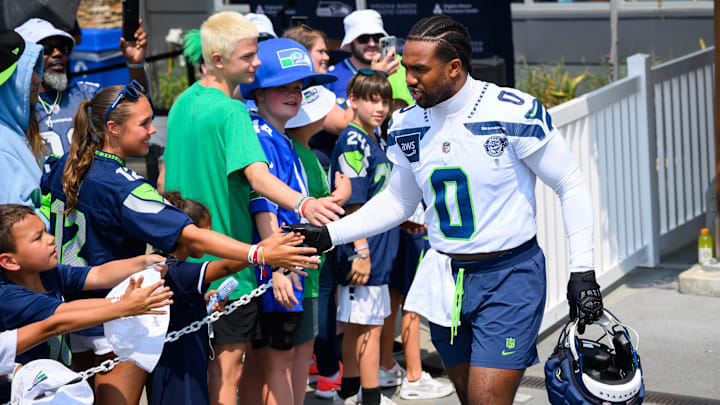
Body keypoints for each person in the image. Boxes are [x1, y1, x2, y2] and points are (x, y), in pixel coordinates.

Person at [284, 15, 604, 405]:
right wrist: (330, 235)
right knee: (470, 398)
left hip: (509, 275)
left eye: (420, 69)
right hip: (444, 277)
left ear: (455, 68)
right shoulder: (405, 123)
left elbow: (569, 183)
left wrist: (582, 271)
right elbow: (399, 201)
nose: (409, 79)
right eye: (406, 68)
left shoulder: (511, 110)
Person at [41, 81, 317, 404]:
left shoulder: (65, 165)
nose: (151, 131)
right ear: (112, 129)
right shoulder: (123, 186)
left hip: (70, 314)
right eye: (143, 124)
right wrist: (258, 252)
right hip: (113, 319)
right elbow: (190, 235)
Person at [161, 12, 343, 405]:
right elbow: (258, 179)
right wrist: (304, 202)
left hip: (185, 257)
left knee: (215, 370)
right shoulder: (233, 112)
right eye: (248, 57)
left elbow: (165, 181)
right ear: (218, 59)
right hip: (230, 264)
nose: (256, 63)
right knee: (229, 374)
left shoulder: (181, 104)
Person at [237, 37, 338, 405]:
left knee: (268, 367)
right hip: (276, 268)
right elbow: (260, 201)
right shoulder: (261, 135)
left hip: (288, 263)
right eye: (282, 87)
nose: (295, 94)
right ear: (259, 94)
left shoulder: (281, 137)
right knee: (275, 368)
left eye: (298, 87)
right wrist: (278, 264)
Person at [0, 203, 174, 401]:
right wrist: (123, 306)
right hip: (16, 396)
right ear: (10, 262)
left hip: (52, 388)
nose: (50, 239)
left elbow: (97, 274)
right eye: (38, 238)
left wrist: (141, 262)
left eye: (46, 231)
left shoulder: (49, 273)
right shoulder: (6, 297)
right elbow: (60, 318)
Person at [146, 191, 305, 405]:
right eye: (205, 232)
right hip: (179, 364)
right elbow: (226, 266)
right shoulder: (179, 270)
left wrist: (203, 305)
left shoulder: (163, 266)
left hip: (177, 360)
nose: (210, 238)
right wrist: (263, 250)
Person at [328, 70, 399, 405]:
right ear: (352, 100)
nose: (380, 107)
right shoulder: (355, 140)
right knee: (369, 326)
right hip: (364, 248)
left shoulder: (372, 137)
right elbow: (353, 200)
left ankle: (349, 392)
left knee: (359, 324)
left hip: (376, 248)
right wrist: (361, 251)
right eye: (372, 99)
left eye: (384, 100)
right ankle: (370, 398)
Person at [377, 98, 454, 400]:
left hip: (395, 233)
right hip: (413, 232)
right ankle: (413, 375)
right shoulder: (411, 150)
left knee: (393, 303)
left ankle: (386, 365)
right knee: (412, 304)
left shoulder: (386, 149)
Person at [285, 84, 352, 405]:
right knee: (306, 337)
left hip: (303, 262)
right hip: (306, 265)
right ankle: (325, 379)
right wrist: (341, 197)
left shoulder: (301, 151)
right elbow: (316, 208)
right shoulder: (303, 155)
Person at [14, 17, 150, 158]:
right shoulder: (15, 108)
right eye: (46, 49)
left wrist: (135, 64)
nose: (58, 53)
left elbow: (136, 108)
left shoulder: (87, 94)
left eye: (63, 48)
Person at [312, 9, 413, 170]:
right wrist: (378, 76)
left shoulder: (402, 68)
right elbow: (342, 126)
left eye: (377, 38)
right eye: (363, 38)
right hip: (349, 166)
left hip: (392, 163)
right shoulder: (331, 76)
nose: (372, 43)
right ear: (350, 42)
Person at [0, 30, 45, 215]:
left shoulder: (16, 132)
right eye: (29, 71)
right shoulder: (3, 147)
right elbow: (16, 231)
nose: (38, 79)